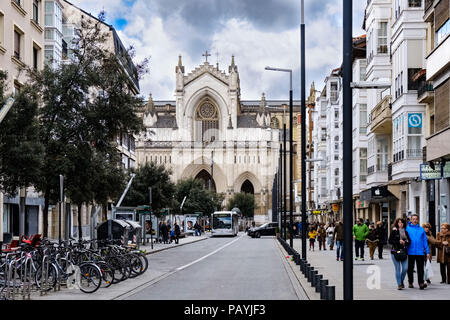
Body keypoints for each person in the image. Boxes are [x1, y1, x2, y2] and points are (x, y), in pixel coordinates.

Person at [406, 214, 431, 290]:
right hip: (410, 252)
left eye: (416, 219)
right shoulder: (407, 228)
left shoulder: (421, 229)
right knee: (410, 268)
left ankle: (421, 283)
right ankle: (410, 282)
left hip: (420, 252)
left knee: (420, 269)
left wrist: (427, 252)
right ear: (410, 220)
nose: (415, 220)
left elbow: (425, 241)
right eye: (413, 219)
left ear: (418, 220)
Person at [389, 218, 411, 290]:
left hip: (404, 252)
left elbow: (409, 242)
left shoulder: (406, 232)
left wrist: (405, 242)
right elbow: (390, 241)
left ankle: (401, 281)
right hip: (395, 252)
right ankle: (399, 284)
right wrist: (398, 241)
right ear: (397, 224)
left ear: (404, 224)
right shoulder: (394, 231)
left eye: (402, 223)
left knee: (405, 268)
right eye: (399, 223)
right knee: (397, 269)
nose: (400, 224)